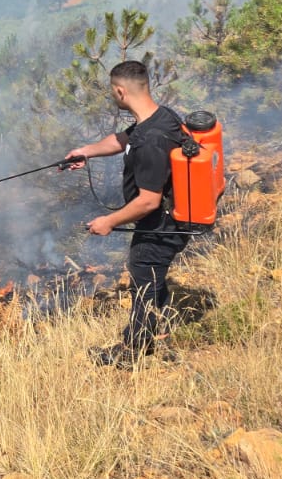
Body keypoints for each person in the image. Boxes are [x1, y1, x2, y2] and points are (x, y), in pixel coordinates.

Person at [65, 60, 190, 367]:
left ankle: (134, 350)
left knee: (143, 274)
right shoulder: (160, 118)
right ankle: (161, 333)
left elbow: (148, 200)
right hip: (170, 219)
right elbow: (124, 140)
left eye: (112, 90)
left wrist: (109, 221)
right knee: (150, 275)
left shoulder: (152, 141)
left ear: (120, 91)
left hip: (162, 223)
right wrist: (86, 150)